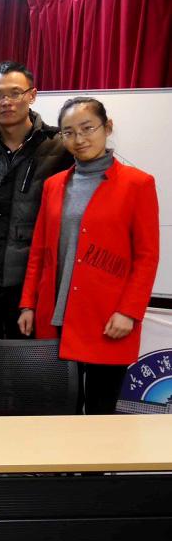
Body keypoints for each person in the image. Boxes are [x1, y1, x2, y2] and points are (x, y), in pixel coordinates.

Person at [18, 97, 159, 414]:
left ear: (107, 128)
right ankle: (57, 467)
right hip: (55, 317)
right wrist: (28, 303)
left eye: (87, 128)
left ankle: (92, 468)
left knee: (99, 411)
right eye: (68, 132)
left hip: (108, 320)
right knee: (58, 409)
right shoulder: (55, 184)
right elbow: (40, 250)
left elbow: (147, 257)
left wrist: (129, 311)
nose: (79, 140)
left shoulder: (138, 184)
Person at [0, 61, 73, 338]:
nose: (6, 102)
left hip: (30, 285)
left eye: (15, 93)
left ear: (32, 95)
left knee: (26, 372)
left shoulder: (59, 147)